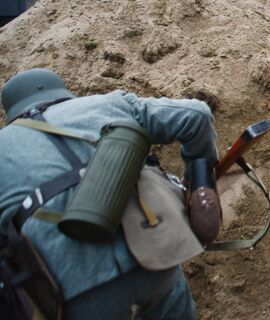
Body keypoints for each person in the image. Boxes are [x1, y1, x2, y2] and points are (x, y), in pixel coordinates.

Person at [0, 68, 220, 319]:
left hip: (72, 290)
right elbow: (197, 115)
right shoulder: (107, 103)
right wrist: (197, 181)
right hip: (155, 255)